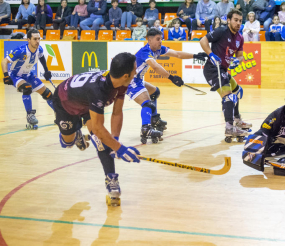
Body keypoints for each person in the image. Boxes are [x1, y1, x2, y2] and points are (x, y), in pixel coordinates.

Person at [53, 52, 140, 206]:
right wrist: (120, 149)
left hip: (87, 105)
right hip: (64, 103)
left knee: (103, 142)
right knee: (68, 143)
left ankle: (111, 180)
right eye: (135, 69)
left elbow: (117, 112)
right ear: (126, 75)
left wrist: (115, 140)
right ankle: (76, 134)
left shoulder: (121, 83)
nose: (137, 71)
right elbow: (99, 129)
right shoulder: (99, 90)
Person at [126, 28, 208, 144]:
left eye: (161, 39)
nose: (161, 41)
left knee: (154, 92)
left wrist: (195, 56)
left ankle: (154, 119)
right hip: (130, 80)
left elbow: (177, 54)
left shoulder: (159, 49)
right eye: (158, 39)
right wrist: (171, 77)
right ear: (149, 40)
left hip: (138, 79)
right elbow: (155, 66)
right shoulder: (145, 51)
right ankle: (146, 128)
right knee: (147, 103)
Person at [199, 9, 251, 140]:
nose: (238, 23)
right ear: (229, 20)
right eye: (235, 20)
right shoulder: (221, 31)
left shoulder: (240, 38)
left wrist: (236, 62)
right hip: (213, 69)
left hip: (223, 70)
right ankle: (229, 127)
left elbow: (240, 56)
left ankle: (237, 120)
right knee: (229, 97)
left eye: (240, 21)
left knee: (237, 91)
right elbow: (202, 41)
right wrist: (211, 54)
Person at [1, 29, 54, 129]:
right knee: (27, 88)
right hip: (16, 76)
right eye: (35, 39)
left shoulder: (39, 49)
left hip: (28, 75)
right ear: (28, 40)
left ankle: (59, 114)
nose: (37, 41)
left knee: (48, 94)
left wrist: (46, 70)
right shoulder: (20, 51)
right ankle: (30, 115)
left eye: (39, 39)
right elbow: (4, 61)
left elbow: (42, 57)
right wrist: (6, 75)